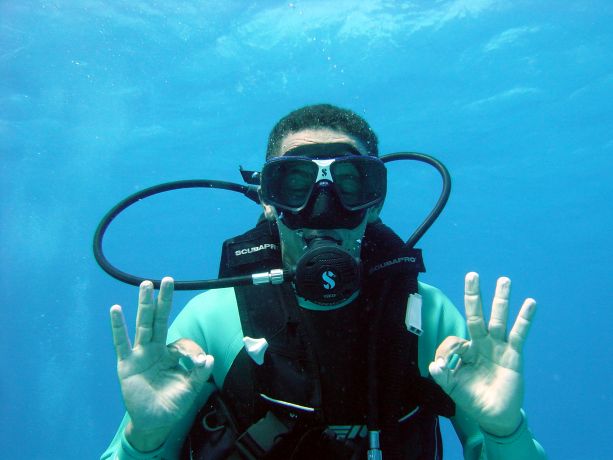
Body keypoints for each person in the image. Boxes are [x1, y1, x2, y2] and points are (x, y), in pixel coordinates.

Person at [101, 104, 546, 459]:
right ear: (268, 200)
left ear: (374, 203)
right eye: (295, 184)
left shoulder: (424, 317)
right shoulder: (214, 318)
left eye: (350, 184)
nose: (323, 209)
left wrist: (504, 430)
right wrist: (145, 437)